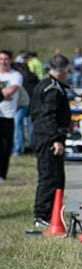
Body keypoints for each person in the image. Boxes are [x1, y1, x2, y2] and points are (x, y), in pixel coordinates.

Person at [29, 54, 71, 227]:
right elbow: (47, 116)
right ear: (63, 70)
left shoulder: (46, 85)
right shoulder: (52, 89)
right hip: (48, 139)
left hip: (43, 135)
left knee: (57, 178)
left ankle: (53, 214)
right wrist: (55, 139)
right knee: (50, 177)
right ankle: (42, 215)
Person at [0, 49, 24, 183]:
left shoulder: (16, 76)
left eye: (5, 59)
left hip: (7, 114)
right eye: (0, 59)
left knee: (4, 146)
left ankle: (2, 174)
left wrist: (4, 93)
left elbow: (10, 91)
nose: (3, 62)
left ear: (10, 60)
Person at [12, 61, 37, 155]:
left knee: (17, 124)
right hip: (30, 102)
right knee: (30, 125)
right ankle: (31, 146)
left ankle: (18, 148)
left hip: (21, 103)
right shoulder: (33, 77)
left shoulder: (17, 77)